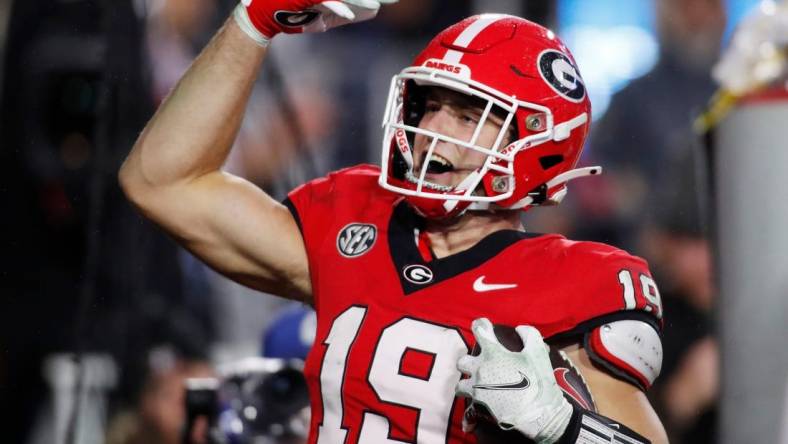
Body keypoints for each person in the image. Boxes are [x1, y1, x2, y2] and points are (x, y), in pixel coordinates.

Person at [119, 1, 668, 443]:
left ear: (539, 145)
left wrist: (564, 427)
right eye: (430, 105)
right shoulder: (359, 221)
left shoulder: (573, 284)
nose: (433, 129)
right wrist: (253, 23)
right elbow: (163, 182)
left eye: (469, 115)